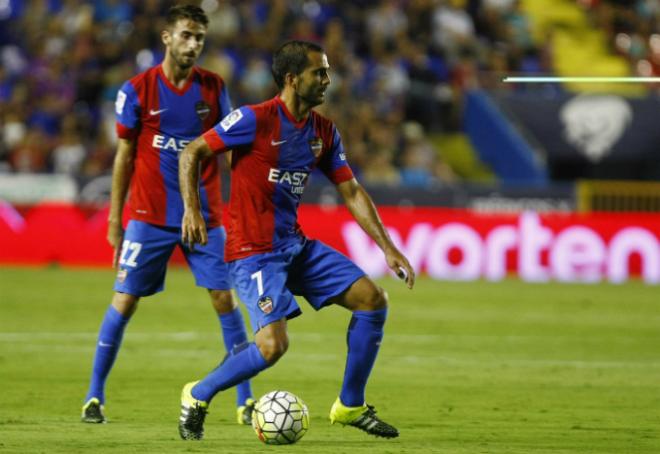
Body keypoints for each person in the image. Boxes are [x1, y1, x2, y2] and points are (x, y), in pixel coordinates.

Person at [177, 40, 416, 441]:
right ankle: (197, 394)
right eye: (318, 73)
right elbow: (192, 152)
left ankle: (350, 406)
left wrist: (388, 247)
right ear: (291, 79)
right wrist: (192, 208)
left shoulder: (322, 131)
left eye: (327, 71)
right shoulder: (253, 119)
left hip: (295, 246)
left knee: (373, 300)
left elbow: (352, 191)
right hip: (252, 254)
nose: (327, 80)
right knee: (272, 346)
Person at [81, 4, 254, 425]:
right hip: (149, 215)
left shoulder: (214, 89)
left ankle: (244, 401)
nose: (193, 44)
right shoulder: (137, 90)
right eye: (186, 35)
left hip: (207, 216)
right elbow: (124, 157)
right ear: (166, 37)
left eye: (199, 38)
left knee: (224, 299)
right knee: (124, 301)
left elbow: (231, 149)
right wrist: (114, 220)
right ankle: (94, 396)